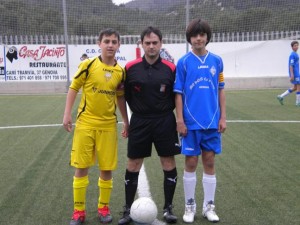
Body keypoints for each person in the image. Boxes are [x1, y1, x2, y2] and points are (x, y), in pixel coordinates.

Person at [63, 28, 129, 225]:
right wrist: (67, 114)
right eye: (106, 41)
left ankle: (103, 208)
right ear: (99, 44)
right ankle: (78, 211)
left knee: (106, 168)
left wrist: (126, 121)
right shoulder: (88, 64)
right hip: (85, 124)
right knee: (81, 166)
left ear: (118, 45)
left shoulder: (120, 71)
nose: (110, 45)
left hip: (108, 126)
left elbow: (120, 97)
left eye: (114, 42)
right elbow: (74, 87)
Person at [118, 26, 181, 225]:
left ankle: (168, 208)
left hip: (165, 120)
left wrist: (179, 120)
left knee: (168, 162)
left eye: (155, 43)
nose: (151, 46)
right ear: (142, 44)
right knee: (133, 164)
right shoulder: (130, 68)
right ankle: (127, 210)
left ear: (161, 43)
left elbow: (178, 96)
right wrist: (127, 122)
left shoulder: (171, 68)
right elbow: (122, 97)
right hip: (140, 121)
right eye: (147, 43)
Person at [174, 18, 226, 223]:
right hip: (190, 122)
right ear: (189, 38)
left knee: (210, 161)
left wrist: (223, 117)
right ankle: (190, 205)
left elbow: (221, 90)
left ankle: (209, 206)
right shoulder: (184, 62)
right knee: (191, 161)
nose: (198, 38)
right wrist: (180, 120)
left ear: (207, 37)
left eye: (202, 35)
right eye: (195, 35)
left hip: (212, 121)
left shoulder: (217, 61)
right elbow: (178, 93)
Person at [277, 40, 300, 106]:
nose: (296, 47)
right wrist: (292, 75)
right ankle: (298, 102)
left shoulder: (296, 54)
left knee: (295, 87)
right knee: (299, 87)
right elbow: (291, 65)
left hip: (297, 72)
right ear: (292, 47)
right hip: (295, 73)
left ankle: (281, 96)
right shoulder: (292, 55)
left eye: (297, 45)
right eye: (295, 46)